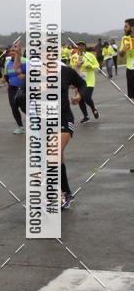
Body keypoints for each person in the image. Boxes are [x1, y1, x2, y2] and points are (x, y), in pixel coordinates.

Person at [59, 61, 88, 210]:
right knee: (57, 157)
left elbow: (82, 84)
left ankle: (63, 194)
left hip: (64, 118)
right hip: (44, 120)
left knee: (54, 153)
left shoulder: (64, 71)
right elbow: (23, 94)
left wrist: (79, 96)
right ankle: (66, 193)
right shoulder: (35, 74)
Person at [70, 42, 100, 122]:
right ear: (77, 47)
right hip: (79, 80)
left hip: (89, 80)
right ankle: (85, 116)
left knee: (86, 97)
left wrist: (91, 66)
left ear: (85, 47)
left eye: (82, 45)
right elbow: (72, 69)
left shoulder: (90, 56)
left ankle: (93, 108)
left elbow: (97, 65)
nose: (81, 47)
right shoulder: (73, 57)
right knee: (80, 99)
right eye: (79, 45)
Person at [4, 44, 26, 134]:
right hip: (12, 87)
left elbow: (34, 73)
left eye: (14, 50)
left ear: (19, 51)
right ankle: (20, 127)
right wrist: (6, 81)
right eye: (11, 50)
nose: (12, 52)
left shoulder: (24, 61)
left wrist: (25, 75)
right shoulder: (8, 62)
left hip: (23, 87)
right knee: (14, 107)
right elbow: (6, 74)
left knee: (24, 108)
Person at [118, 19, 134, 99]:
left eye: (126, 26)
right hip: (130, 68)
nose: (124, 28)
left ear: (132, 27)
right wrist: (123, 51)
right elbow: (121, 55)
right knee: (131, 95)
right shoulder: (124, 38)